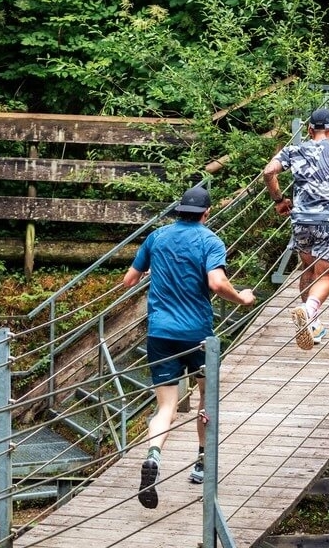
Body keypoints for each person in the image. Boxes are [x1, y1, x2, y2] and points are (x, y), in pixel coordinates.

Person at [120, 184, 256, 509]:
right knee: (206, 400)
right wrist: (241, 298)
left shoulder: (157, 238)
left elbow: (129, 280)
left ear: (178, 210)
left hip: (160, 333)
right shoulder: (210, 240)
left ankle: (153, 456)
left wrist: (158, 269)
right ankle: (200, 463)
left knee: (164, 406)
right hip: (197, 335)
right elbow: (216, 283)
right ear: (206, 213)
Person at [262, 107, 329, 350]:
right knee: (326, 274)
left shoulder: (294, 150)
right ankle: (308, 311)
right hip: (327, 221)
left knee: (307, 267)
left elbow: (268, 171)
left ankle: (312, 326)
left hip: (301, 220)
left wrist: (279, 200)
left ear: (309, 130)